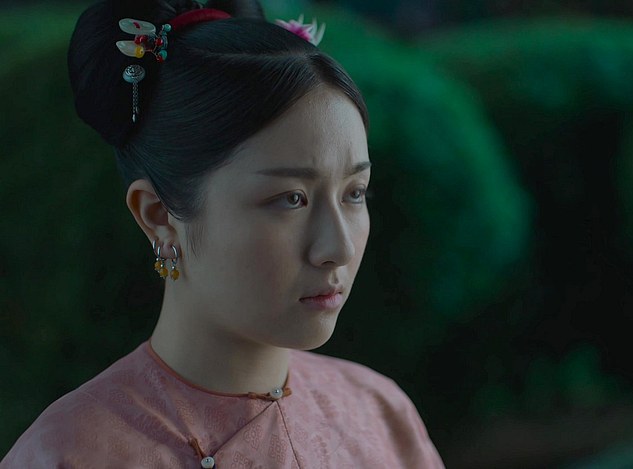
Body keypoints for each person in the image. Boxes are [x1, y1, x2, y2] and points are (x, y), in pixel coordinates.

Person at [0, 0, 444, 467]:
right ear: (158, 215)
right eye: (291, 199)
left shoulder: (378, 413)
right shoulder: (72, 455)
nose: (339, 247)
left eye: (355, 193)